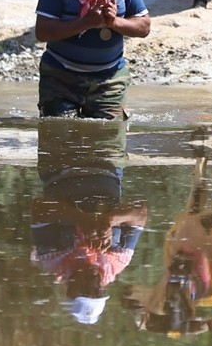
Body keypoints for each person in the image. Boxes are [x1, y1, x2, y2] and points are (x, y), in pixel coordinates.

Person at [30, 118, 148, 325]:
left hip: (58, 163)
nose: (95, 285)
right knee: (108, 102)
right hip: (108, 162)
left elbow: (40, 207)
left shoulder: (51, 259)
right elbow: (140, 212)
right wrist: (109, 221)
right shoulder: (118, 261)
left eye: (86, 291)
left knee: (57, 110)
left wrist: (81, 219)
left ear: (70, 290)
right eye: (99, 292)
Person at [35, 0, 151, 120]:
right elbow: (42, 32)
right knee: (60, 142)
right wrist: (86, 23)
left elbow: (144, 26)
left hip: (109, 80)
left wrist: (114, 23)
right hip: (60, 78)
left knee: (109, 147)